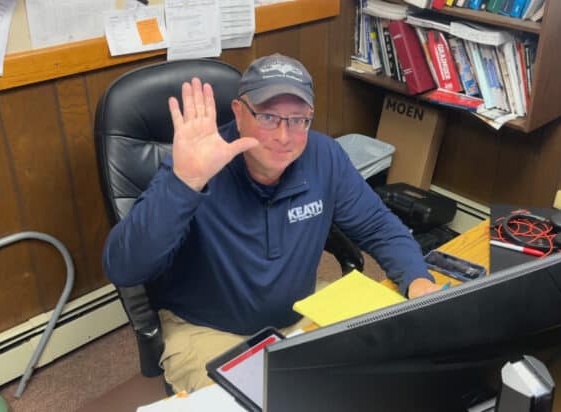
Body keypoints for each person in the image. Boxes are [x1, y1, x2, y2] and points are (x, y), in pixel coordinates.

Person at [102, 54, 441, 393]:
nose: (283, 136)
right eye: (267, 117)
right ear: (238, 112)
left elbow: (379, 225)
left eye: (298, 120)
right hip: (208, 331)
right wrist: (184, 183)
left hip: (302, 310)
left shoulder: (324, 157)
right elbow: (124, 267)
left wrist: (417, 279)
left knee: (392, 369)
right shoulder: (197, 164)